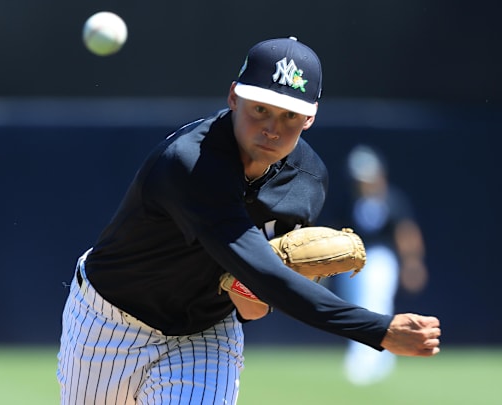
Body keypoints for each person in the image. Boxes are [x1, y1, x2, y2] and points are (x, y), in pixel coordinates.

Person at [57, 37, 441, 404]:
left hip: (205, 334)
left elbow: (253, 303)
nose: (272, 128)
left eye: (289, 115)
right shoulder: (191, 163)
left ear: (310, 117)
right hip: (109, 321)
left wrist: (252, 292)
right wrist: (378, 330)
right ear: (234, 96)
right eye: (260, 108)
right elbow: (264, 273)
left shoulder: (306, 185)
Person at [334, 144, 429, 385]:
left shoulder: (391, 200)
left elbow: (406, 232)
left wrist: (412, 263)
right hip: (352, 258)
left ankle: (370, 358)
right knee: (353, 307)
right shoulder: (350, 200)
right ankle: (369, 355)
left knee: (375, 303)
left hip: (380, 259)